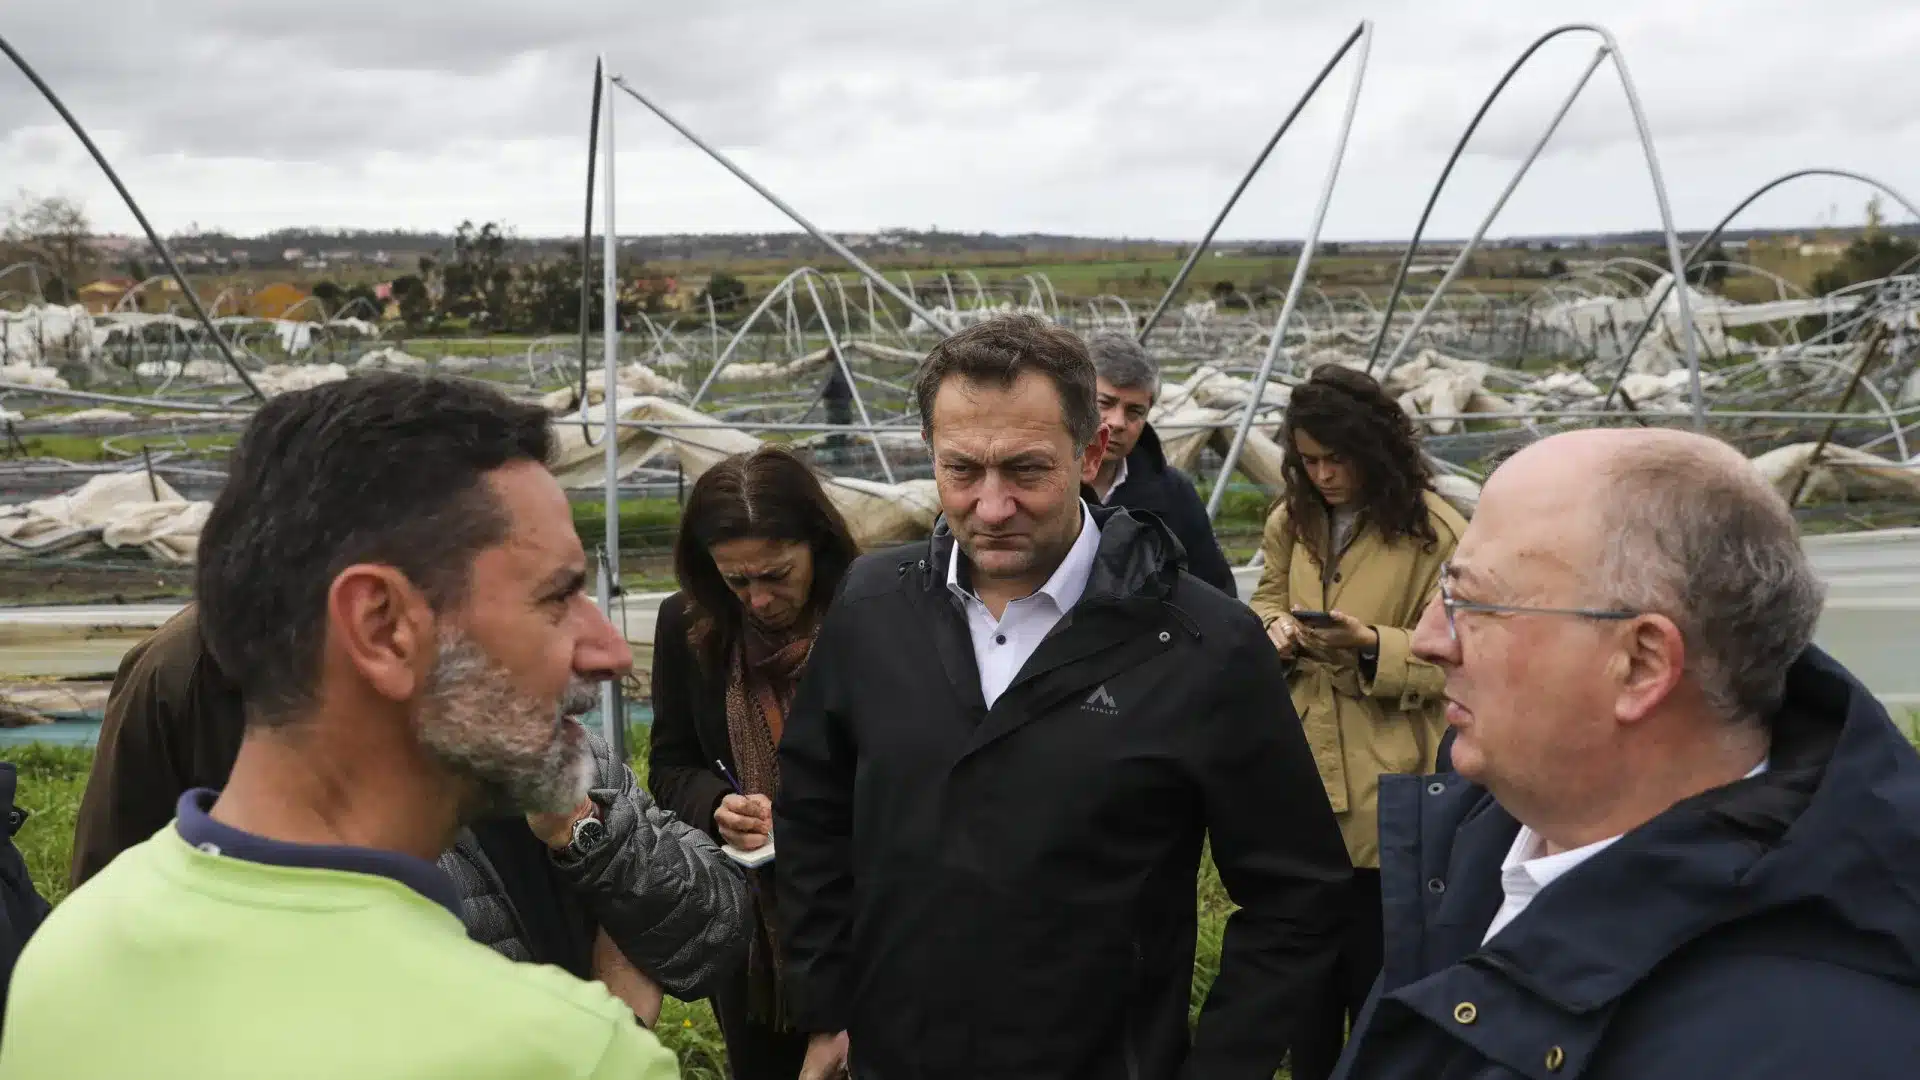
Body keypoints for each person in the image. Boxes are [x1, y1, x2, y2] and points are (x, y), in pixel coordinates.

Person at [2, 373, 690, 1078]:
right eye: (559, 596)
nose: (608, 650)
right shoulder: (565, 1051)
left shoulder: (60, 965)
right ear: (381, 626)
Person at [774, 314, 1351, 1080]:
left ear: (1090, 453)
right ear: (930, 457)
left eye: (1025, 471)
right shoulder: (875, 604)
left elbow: (1296, 895)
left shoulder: (1197, 643)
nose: (991, 505)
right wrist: (828, 1003)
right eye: (962, 471)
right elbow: (814, 801)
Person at [1331, 428, 1920, 1080]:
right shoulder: (1477, 848)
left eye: (1469, 601)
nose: (1426, 640)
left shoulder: (1815, 1047)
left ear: (1640, 665)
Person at [67, 603, 749, 1018]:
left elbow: (712, 923)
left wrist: (585, 837)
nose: (606, 649)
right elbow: (109, 916)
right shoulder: (194, 674)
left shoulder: (506, 671)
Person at [1246, 364, 1465, 1080]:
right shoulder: (1292, 520)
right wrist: (1275, 630)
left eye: (1336, 459)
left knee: (1381, 969)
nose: (1323, 475)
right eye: (1308, 461)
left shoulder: (1436, 534)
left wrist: (1372, 644)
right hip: (1304, 767)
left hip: (1390, 778)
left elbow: (1464, 660)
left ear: (1376, 449)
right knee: (1307, 977)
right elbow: (1265, 600)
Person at [647, 446, 861, 1080]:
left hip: (868, 919)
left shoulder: (874, 617)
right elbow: (670, 762)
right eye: (737, 581)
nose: (759, 599)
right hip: (757, 939)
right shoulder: (690, 626)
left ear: (817, 547)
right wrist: (718, 806)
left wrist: (808, 826)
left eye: (776, 574)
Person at [1085, 332, 1237, 596]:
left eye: (1135, 411)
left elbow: (1217, 596)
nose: (1117, 422)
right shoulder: (1038, 485)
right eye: (1104, 404)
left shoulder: (1175, 495)